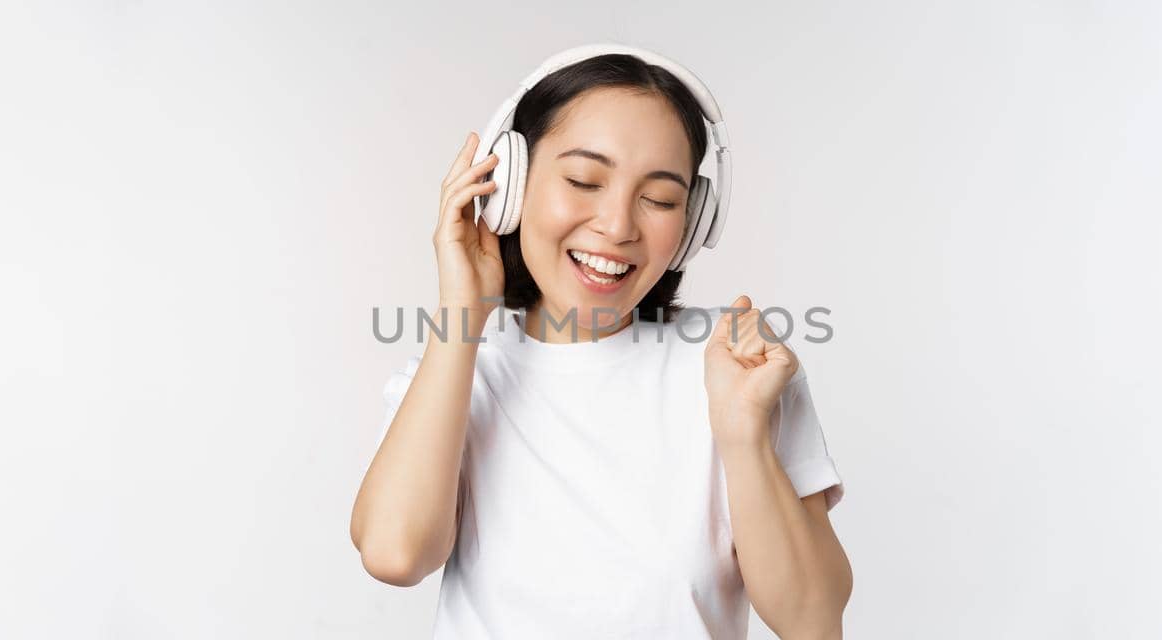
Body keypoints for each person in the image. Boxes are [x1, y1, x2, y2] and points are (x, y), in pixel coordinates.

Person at [350, 48, 851, 639]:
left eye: (660, 199)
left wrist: (743, 434)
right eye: (584, 181)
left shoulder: (739, 365)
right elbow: (395, 555)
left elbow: (813, 622)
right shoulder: (455, 375)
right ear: (509, 186)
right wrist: (464, 313)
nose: (617, 226)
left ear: (692, 223)